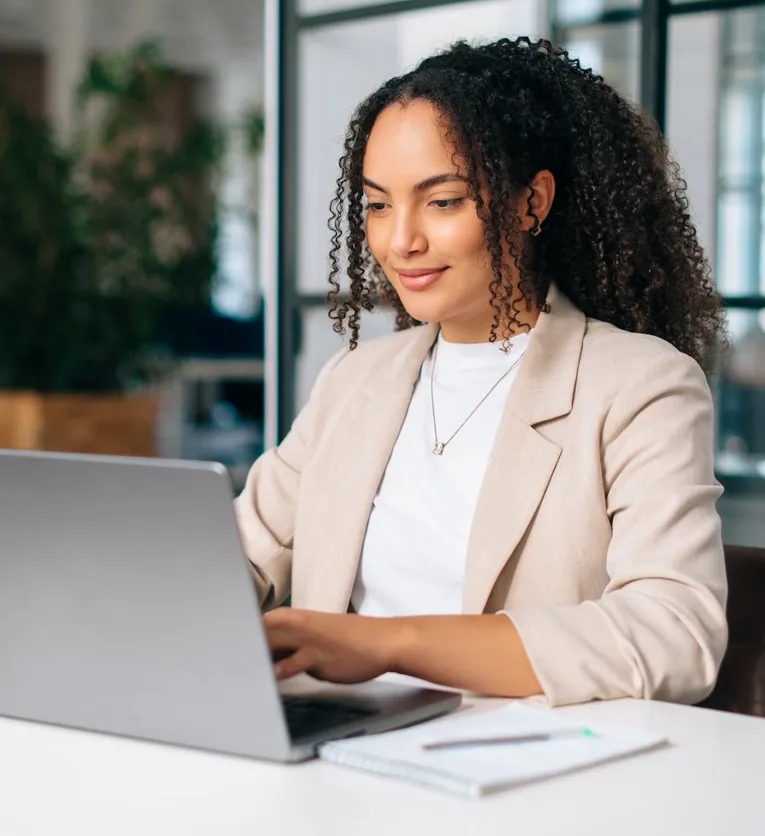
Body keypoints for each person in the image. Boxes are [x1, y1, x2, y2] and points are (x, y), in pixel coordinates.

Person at [235, 36, 728, 706]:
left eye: (441, 202)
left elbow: (675, 635)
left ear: (531, 203)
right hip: (338, 752)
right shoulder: (354, 381)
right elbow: (231, 556)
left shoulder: (639, 386)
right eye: (378, 205)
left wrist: (386, 644)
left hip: (521, 770)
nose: (400, 240)